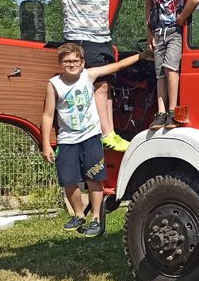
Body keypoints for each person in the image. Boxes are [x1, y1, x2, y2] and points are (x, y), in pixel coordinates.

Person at [0, 0, 131, 152]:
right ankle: (105, 134)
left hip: (103, 37)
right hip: (82, 37)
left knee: (106, 87)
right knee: (97, 86)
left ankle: (110, 133)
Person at [40, 43, 148, 237]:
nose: (71, 64)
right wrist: (46, 144)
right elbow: (48, 115)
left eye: (75, 61)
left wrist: (144, 55)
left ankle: (96, 218)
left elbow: (117, 66)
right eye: (67, 61)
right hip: (67, 140)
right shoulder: (54, 84)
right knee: (68, 180)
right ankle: (79, 215)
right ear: (60, 63)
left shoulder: (88, 75)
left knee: (94, 178)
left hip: (90, 137)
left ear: (83, 63)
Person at [140, 0, 199, 129]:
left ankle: (173, 111)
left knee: (170, 69)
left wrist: (180, 19)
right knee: (159, 73)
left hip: (173, 30)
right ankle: (161, 112)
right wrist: (149, 31)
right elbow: (148, 2)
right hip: (158, 31)